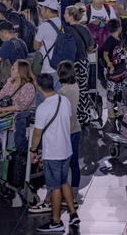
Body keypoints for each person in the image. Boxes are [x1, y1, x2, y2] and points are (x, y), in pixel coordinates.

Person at [29, 74, 80, 232]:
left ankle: (56, 222)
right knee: (64, 181)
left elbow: (37, 134)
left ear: (39, 88)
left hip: (53, 154)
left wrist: (32, 151)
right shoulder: (63, 101)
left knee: (55, 187)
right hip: (66, 150)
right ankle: (73, 214)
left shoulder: (43, 108)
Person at [63, 5, 95, 126]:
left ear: (71, 16)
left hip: (70, 64)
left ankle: (72, 116)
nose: (64, 15)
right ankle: (84, 116)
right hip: (83, 62)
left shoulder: (65, 30)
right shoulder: (85, 29)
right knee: (83, 89)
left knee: (70, 90)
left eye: (66, 13)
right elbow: (91, 46)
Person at [56, 61, 82, 199]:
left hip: (66, 131)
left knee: (63, 163)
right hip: (76, 128)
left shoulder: (62, 92)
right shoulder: (75, 87)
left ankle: (62, 191)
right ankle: (75, 189)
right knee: (74, 162)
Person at [103, 19, 127, 123]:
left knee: (120, 91)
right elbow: (105, 54)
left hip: (121, 70)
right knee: (111, 92)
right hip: (113, 72)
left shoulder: (120, 39)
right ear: (119, 28)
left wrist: (125, 56)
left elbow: (121, 50)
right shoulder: (110, 40)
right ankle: (110, 110)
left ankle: (120, 109)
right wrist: (109, 64)